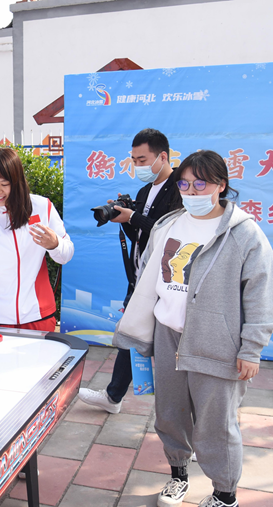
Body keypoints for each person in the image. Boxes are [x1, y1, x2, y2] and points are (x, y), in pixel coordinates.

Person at [113, 151, 273, 507]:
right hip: (169, 335)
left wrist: (251, 349)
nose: (191, 191)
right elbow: (148, 276)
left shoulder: (244, 234)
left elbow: (261, 295)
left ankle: (225, 494)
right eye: (184, 184)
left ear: (221, 185)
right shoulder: (168, 224)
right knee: (170, 415)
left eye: (200, 184)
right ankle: (178, 475)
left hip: (217, 343)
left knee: (216, 425)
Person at [78, 128, 182, 414]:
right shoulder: (145, 191)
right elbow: (141, 236)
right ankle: (114, 397)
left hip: (166, 282)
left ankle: (181, 415)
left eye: (142, 160)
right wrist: (124, 219)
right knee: (131, 333)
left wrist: (134, 216)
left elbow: (169, 235)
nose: (138, 166)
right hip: (140, 278)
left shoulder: (180, 188)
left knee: (168, 348)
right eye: (134, 160)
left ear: (162, 156)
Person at [0, 147, 74, 336]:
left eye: (4, 184)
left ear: (17, 182)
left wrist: (55, 244)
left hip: (40, 317)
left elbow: (66, 255)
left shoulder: (42, 207)